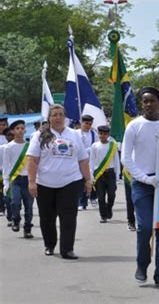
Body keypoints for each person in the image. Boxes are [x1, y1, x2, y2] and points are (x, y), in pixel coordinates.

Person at [121, 86, 159, 288]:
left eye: (152, 100)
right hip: (142, 183)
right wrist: (145, 178)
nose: (148, 104)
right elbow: (126, 158)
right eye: (145, 101)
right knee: (144, 227)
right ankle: (142, 265)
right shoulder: (134, 126)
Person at [27, 104, 91, 259]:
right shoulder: (40, 135)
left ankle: (67, 249)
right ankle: (49, 244)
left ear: (65, 117)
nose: (58, 117)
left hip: (70, 182)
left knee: (68, 217)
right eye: (54, 115)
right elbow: (33, 160)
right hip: (45, 183)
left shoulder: (74, 135)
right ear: (49, 118)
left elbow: (82, 159)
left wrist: (88, 180)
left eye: (61, 114)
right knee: (47, 218)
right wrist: (31, 181)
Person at [2, 120, 34, 238]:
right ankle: (16, 220)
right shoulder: (8, 147)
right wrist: (6, 182)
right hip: (15, 180)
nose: (20, 130)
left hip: (28, 179)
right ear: (12, 131)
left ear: (25, 130)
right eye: (17, 128)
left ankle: (27, 228)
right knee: (15, 202)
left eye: (22, 128)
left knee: (29, 206)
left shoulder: (30, 146)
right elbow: (6, 165)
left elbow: (34, 163)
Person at [90, 125, 120, 223]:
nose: (102, 135)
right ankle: (103, 216)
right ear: (98, 134)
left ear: (108, 134)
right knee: (101, 196)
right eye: (100, 133)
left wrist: (117, 175)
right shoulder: (94, 146)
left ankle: (109, 208)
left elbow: (116, 161)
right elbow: (92, 161)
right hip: (99, 174)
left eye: (105, 134)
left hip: (110, 173)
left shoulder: (113, 145)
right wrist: (91, 175)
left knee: (112, 194)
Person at [76, 114, 98, 210]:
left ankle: (93, 196)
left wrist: (87, 150)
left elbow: (96, 145)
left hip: (90, 160)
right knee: (81, 181)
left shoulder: (94, 134)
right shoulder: (76, 133)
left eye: (90, 124)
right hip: (78, 161)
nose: (88, 126)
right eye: (86, 123)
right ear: (82, 123)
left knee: (90, 179)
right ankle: (82, 202)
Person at [0, 128, 14, 224]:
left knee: (16, 199)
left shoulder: (22, 146)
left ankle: (14, 215)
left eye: (12, 135)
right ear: (5, 137)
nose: (11, 137)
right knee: (7, 197)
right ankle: (9, 216)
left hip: (17, 175)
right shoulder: (2, 148)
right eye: (8, 135)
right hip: (4, 174)